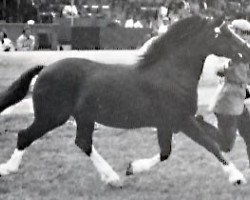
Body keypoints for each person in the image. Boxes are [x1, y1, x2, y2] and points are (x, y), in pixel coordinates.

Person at [209, 19, 250, 166]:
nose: (247, 36)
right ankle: (197, 125)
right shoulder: (231, 50)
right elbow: (218, 70)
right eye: (244, 33)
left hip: (237, 99)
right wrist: (228, 65)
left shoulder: (243, 50)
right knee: (226, 145)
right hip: (227, 100)